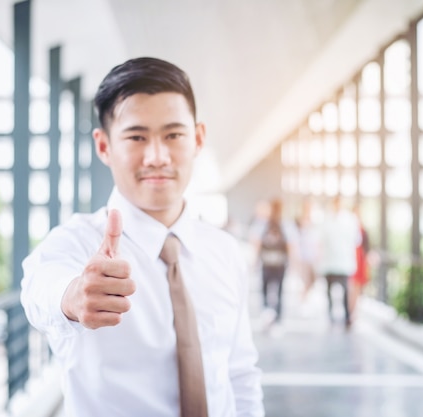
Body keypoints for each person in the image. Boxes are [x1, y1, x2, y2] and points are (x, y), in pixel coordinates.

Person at [20, 57, 264, 417]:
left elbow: (239, 374)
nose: (157, 156)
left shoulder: (224, 251)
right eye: (136, 137)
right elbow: (40, 286)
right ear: (104, 147)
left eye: (173, 135)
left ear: (197, 139)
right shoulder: (76, 244)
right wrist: (72, 296)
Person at [250, 198, 297, 333]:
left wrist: (255, 261)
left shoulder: (263, 223)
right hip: (280, 263)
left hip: (267, 262)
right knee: (279, 291)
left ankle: (267, 315)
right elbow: (291, 245)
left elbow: (256, 243)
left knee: (265, 289)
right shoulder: (286, 224)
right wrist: (292, 262)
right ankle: (276, 319)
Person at [318, 195, 359, 327]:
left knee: (345, 289)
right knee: (329, 289)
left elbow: (357, 240)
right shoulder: (327, 219)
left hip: (344, 261)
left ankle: (347, 315)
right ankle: (330, 314)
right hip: (329, 261)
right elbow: (321, 240)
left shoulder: (350, 219)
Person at [295, 197, 321, 302]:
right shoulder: (298, 221)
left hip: (312, 256)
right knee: (306, 280)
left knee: (313, 279)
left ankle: (303, 298)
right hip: (303, 256)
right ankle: (302, 300)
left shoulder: (314, 220)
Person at [348, 205, 371, 320]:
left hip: (359, 262)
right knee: (350, 287)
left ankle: (353, 311)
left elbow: (367, 247)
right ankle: (349, 309)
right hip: (349, 260)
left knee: (356, 287)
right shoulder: (347, 229)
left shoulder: (363, 230)